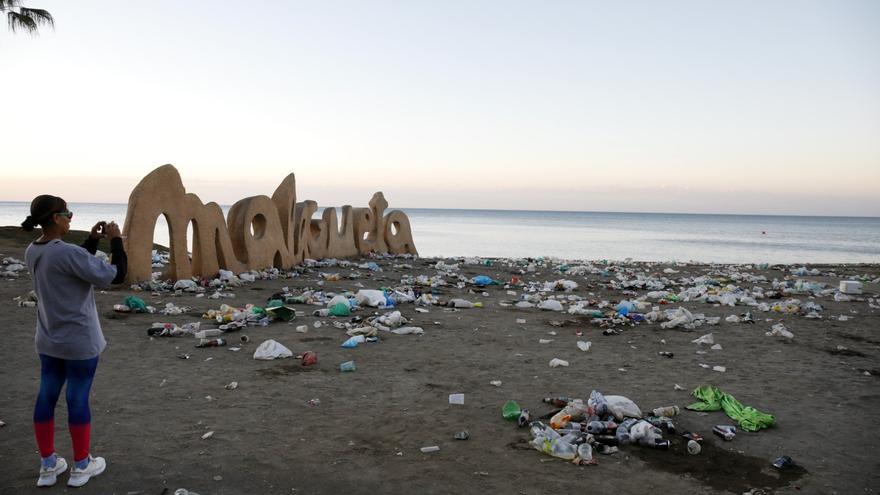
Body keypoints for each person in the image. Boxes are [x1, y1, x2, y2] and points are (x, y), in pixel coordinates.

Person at [21, 195, 127, 488]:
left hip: (48, 339)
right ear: (55, 218)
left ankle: (48, 465)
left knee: (46, 397)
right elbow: (115, 276)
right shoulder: (66, 253)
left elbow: (70, 266)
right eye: (67, 212)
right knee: (77, 399)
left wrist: (91, 242)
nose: (71, 216)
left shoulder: (34, 250)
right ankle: (81, 465)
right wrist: (116, 241)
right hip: (79, 341)